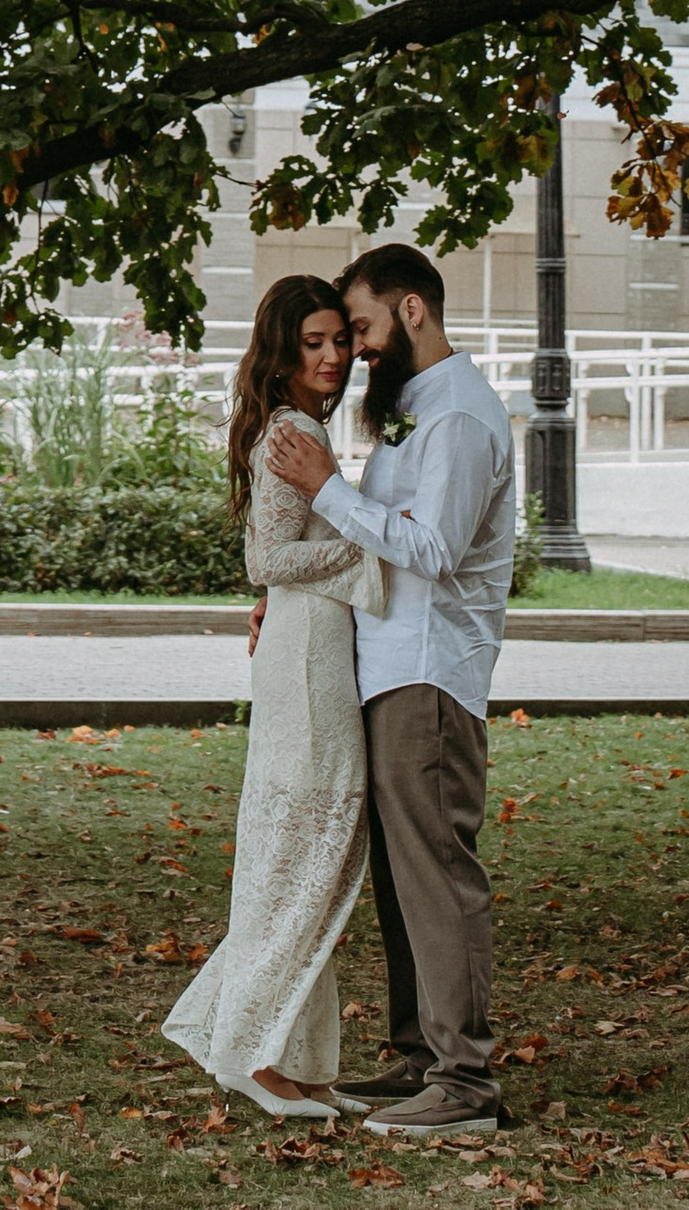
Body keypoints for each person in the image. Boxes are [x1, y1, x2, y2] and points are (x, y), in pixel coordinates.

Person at [266, 241, 516, 1147]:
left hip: (430, 675)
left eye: (364, 327)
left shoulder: (459, 418)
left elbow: (435, 550)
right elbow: (377, 549)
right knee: (399, 881)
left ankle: (464, 1080)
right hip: (387, 668)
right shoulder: (416, 410)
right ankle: (421, 1056)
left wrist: (328, 488)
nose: (357, 350)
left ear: (412, 310)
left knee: (437, 875)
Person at [164, 276, 389, 1120]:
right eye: (314, 345)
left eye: (340, 340)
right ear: (283, 354)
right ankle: (254, 1055)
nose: (334, 357)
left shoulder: (305, 429)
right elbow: (270, 562)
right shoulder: (292, 432)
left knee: (306, 865)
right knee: (303, 859)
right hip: (305, 666)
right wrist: (377, 547)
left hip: (317, 652)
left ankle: (282, 1057)